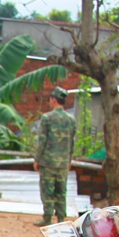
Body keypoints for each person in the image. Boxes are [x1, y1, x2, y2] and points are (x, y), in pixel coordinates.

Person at [33, 86, 76, 226]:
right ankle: (61, 219)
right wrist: (69, 159)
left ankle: (47, 218)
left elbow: (42, 141)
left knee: (47, 191)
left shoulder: (47, 118)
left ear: (53, 100)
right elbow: (72, 142)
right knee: (61, 191)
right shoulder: (71, 120)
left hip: (48, 162)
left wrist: (37, 159)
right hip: (63, 163)